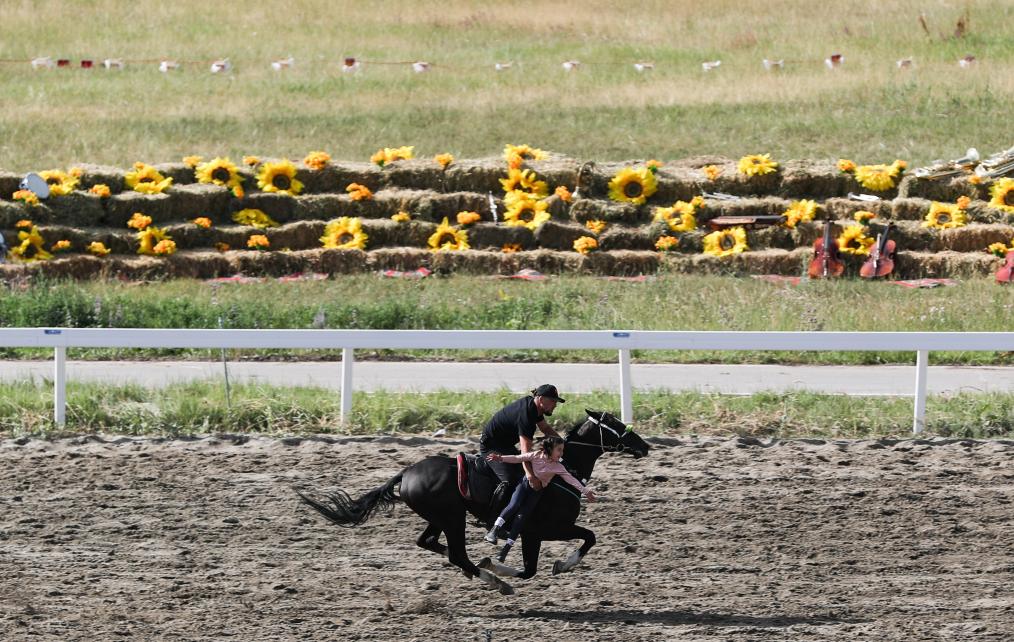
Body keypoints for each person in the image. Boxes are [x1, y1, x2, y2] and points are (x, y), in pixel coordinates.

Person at [485, 436, 596, 562]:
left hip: (536, 492)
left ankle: (505, 551)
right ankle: (494, 530)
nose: (562, 453)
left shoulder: (558, 467)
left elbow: (571, 480)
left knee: (522, 517)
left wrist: (585, 491)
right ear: (550, 449)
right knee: (514, 505)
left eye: (562, 450)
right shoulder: (536, 455)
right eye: (559, 450)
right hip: (524, 485)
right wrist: (500, 458)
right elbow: (517, 458)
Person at [478, 384, 565, 528]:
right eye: (553, 401)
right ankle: (491, 521)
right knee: (510, 480)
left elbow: (545, 428)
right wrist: (531, 476)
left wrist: (562, 443)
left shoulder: (535, 408)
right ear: (541, 399)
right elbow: (525, 453)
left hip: (505, 446)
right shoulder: (526, 415)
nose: (555, 405)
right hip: (491, 448)